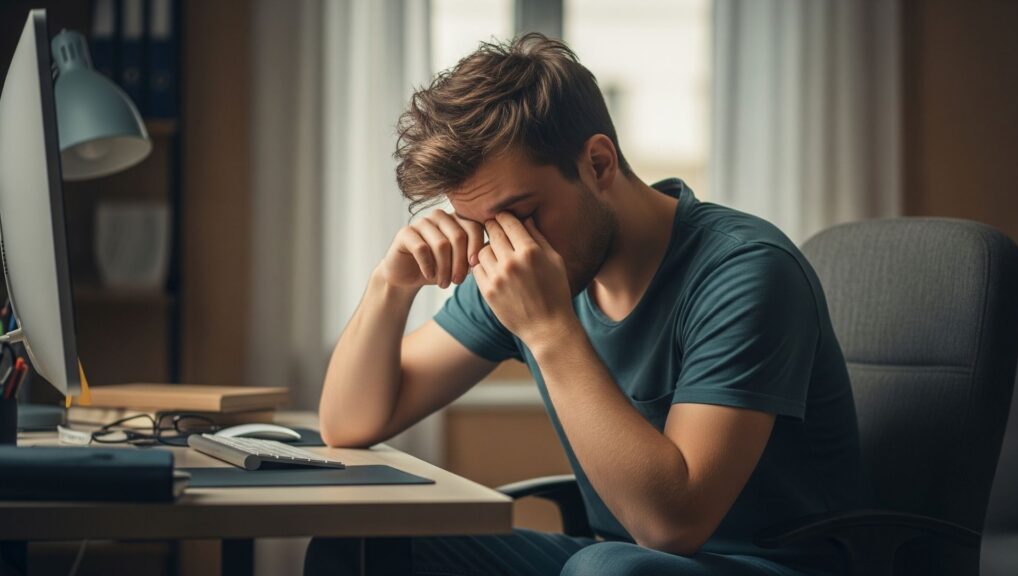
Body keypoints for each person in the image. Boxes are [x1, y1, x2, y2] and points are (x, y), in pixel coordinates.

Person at [306, 33, 860, 576]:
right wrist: (390, 286)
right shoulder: (531, 267)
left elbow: (673, 526)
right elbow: (349, 422)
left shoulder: (745, 272)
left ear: (598, 164)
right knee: (361, 543)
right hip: (620, 559)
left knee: (606, 568)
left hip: (769, 564)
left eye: (519, 215)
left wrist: (549, 330)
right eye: (480, 227)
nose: (503, 247)